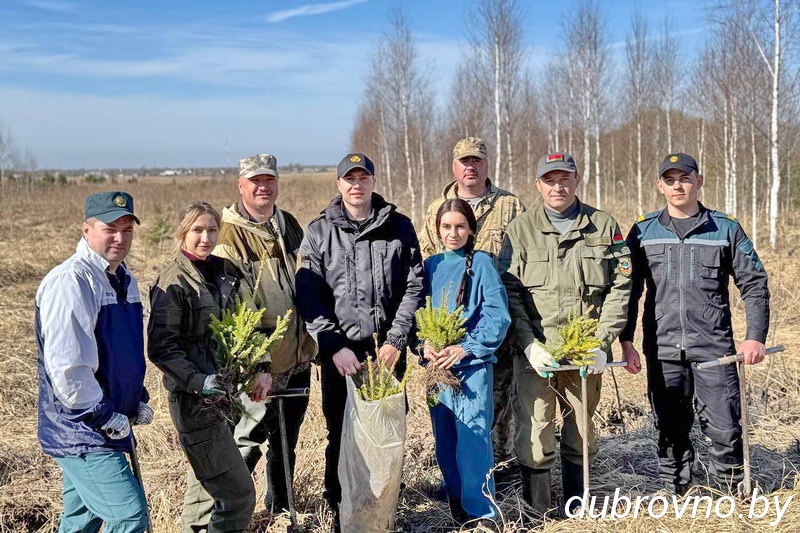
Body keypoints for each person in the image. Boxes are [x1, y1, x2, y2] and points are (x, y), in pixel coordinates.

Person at [619, 153, 770, 495]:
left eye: (684, 178)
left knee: (725, 427)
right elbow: (628, 290)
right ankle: (675, 493)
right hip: (663, 348)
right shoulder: (643, 230)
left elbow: (755, 284)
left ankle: (729, 496)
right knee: (669, 427)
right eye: (669, 180)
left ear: (698, 181)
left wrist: (755, 337)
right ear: (660, 186)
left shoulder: (724, 228)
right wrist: (626, 341)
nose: (678, 186)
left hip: (714, 349)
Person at [183, 155, 317, 529]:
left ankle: (281, 508)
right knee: (246, 440)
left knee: (286, 439)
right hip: (257, 366)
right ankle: (227, 516)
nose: (263, 187)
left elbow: (301, 279)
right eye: (255, 181)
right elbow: (237, 309)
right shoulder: (228, 233)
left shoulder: (287, 223)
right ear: (241, 185)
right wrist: (258, 364)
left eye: (269, 180)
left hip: (297, 356)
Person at [296, 152, 424, 531]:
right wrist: (333, 346)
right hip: (341, 356)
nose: (356, 185)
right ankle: (340, 508)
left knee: (386, 433)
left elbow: (414, 285)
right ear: (339, 185)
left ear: (372, 182)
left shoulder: (399, 227)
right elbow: (309, 295)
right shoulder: (318, 232)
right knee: (341, 429)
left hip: (385, 352)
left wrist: (397, 340)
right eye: (348, 179)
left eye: (362, 177)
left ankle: (382, 509)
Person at [499, 153, 632, 514]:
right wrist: (528, 345)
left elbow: (620, 287)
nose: (557, 186)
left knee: (581, 430)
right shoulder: (521, 229)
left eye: (564, 179)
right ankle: (538, 512)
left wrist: (602, 342)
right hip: (539, 353)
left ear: (576, 180)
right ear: (538, 184)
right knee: (535, 431)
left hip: (585, 351)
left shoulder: (603, 226)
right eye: (549, 180)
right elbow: (509, 292)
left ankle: (579, 508)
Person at [148, 201, 274, 532]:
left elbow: (248, 322)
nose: (206, 237)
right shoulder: (173, 280)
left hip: (227, 393)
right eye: (197, 230)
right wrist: (199, 381)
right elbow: (162, 347)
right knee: (239, 496)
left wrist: (261, 366)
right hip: (195, 402)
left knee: (206, 487)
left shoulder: (224, 271)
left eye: (212, 230)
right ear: (182, 232)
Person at [35, 191, 153, 532]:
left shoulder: (123, 279)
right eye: (109, 228)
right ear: (87, 230)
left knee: (81, 519)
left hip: (108, 420)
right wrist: (102, 414)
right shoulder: (71, 281)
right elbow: (68, 369)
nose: (120, 237)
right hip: (81, 428)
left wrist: (135, 398)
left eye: (127, 229)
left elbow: (120, 351)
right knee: (129, 516)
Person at [419, 136, 525, 485]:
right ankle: (459, 487)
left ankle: (496, 475)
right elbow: (425, 270)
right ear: (455, 165)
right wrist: (426, 341)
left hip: (494, 327)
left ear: (486, 164)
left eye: (477, 160)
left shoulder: (510, 205)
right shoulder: (438, 208)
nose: (471, 166)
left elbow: (522, 262)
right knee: (452, 426)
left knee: (497, 406)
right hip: (446, 340)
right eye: (464, 160)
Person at [422, 199, 511, 528]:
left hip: (471, 370)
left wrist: (467, 348)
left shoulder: (482, 264)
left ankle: (482, 511)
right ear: (438, 230)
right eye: (446, 227)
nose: (453, 233)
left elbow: (497, 316)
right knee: (444, 437)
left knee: (473, 439)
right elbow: (418, 313)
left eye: (460, 226)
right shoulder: (430, 266)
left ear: (471, 229)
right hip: (437, 371)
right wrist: (425, 344)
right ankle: (456, 498)